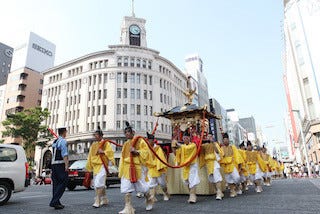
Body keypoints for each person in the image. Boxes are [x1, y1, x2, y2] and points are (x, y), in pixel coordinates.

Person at [118, 122, 154, 214]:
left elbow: (146, 152)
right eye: (125, 132)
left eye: (128, 132)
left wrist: (137, 152)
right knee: (126, 188)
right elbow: (122, 157)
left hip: (137, 167)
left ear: (133, 132)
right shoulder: (126, 144)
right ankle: (128, 208)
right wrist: (121, 170)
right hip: (126, 168)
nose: (126, 134)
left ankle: (149, 198)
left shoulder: (140, 141)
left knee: (142, 188)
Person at [86, 127, 115, 208]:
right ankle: (104, 198)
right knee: (97, 184)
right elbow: (90, 156)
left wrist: (103, 152)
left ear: (101, 136)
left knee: (99, 183)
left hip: (102, 165)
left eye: (97, 135)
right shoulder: (94, 145)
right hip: (95, 167)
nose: (95, 136)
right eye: (95, 135)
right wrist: (89, 166)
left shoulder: (106, 143)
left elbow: (110, 153)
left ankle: (97, 200)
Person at [174, 131, 200, 203]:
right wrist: (173, 146)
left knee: (192, 180)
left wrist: (179, 145)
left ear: (189, 138)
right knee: (187, 181)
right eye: (184, 138)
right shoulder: (182, 147)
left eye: (186, 138)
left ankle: (192, 196)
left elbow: (188, 149)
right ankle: (192, 194)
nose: (185, 139)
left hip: (192, 165)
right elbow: (177, 153)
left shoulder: (193, 145)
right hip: (185, 166)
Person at [145, 132, 170, 202]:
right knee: (151, 184)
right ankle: (152, 196)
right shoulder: (147, 149)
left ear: (153, 140)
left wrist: (159, 167)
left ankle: (166, 193)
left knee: (162, 184)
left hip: (159, 168)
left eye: (151, 140)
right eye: (148, 140)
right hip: (151, 169)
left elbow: (161, 157)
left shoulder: (158, 148)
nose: (149, 142)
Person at [199, 134, 224, 200]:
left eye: (210, 136)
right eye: (208, 137)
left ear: (212, 137)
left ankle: (219, 192)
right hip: (208, 163)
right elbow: (201, 151)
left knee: (217, 177)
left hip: (214, 162)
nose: (209, 138)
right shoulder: (204, 145)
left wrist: (213, 143)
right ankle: (218, 191)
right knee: (212, 179)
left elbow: (217, 152)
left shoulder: (215, 144)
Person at [49, 127, 69, 210]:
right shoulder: (63, 141)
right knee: (63, 182)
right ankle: (54, 201)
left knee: (56, 184)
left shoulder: (55, 141)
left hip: (54, 165)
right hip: (60, 164)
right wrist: (66, 165)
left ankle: (56, 202)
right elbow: (64, 154)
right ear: (64, 132)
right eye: (66, 132)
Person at [219, 133, 244, 198]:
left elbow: (238, 156)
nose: (225, 141)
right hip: (226, 166)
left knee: (237, 177)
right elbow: (220, 158)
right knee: (229, 179)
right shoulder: (221, 148)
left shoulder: (233, 147)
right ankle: (232, 191)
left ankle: (238, 185)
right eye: (224, 140)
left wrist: (240, 165)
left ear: (228, 140)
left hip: (233, 165)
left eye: (226, 139)